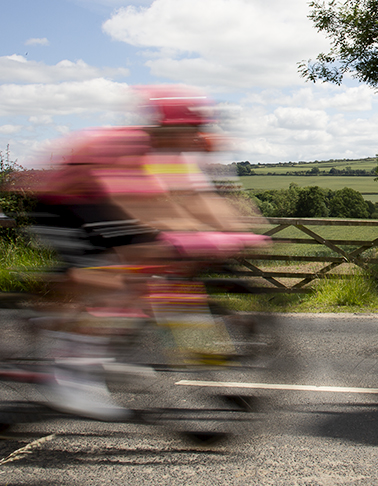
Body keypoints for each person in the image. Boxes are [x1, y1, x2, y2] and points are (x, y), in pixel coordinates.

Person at [22, 85, 267, 420]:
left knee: (164, 276)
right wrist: (187, 237)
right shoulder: (131, 146)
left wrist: (239, 232)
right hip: (63, 203)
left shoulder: (174, 159)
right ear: (171, 129)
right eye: (193, 130)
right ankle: (71, 377)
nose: (198, 138)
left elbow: (198, 201)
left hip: (101, 203)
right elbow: (146, 206)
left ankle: (201, 358)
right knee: (116, 277)